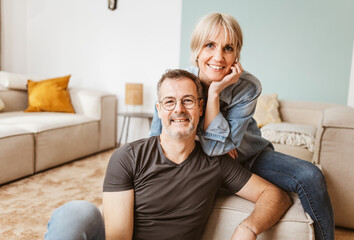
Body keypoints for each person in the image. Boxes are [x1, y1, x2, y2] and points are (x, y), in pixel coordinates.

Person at [45, 69, 291, 240]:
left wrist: (248, 228)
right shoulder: (128, 157)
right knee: (77, 213)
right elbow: (118, 236)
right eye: (170, 102)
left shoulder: (217, 163)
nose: (179, 110)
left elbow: (275, 195)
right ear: (159, 110)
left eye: (188, 101)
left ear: (201, 108)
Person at [150, 13, 334, 240]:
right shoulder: (176, 83)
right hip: (203, 161)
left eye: (228, 48)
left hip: (250, 156)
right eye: (210, 45)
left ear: (236, 54)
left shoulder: (247, 86)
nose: (219, 57)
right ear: (196, 49)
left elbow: (215, 147)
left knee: (310, 175)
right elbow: (158, 141)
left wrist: (215, 92)